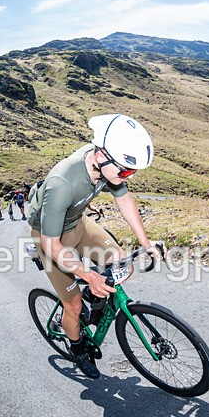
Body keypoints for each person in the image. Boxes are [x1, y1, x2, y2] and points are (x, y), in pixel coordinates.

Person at [27, 113, 162, 379]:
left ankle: (95, 297)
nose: (128, 177)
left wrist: (145, 243)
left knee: (124, 264)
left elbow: (124, 200)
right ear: (101, 157)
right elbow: (52, 245)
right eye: (125, 170)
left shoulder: (105, 163)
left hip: (78, 223)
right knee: (74, 305)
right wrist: (88, 275)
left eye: (132, 171)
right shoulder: (62, 183)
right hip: (51, 238)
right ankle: (77, 349)